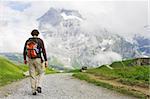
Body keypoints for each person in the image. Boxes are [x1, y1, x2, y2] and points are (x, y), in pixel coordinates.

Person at [23, 29, 48, 95]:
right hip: (38, 59)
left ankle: (33, 90)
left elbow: (24, 50)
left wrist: (25, 59)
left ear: (31, 34)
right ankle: (39, 85)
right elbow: (43, 51)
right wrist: (46, 60)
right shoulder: (40, 41)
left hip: (30, 59)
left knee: (32, 75)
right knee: (41, 72)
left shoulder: (28, 41)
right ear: (38, 34)